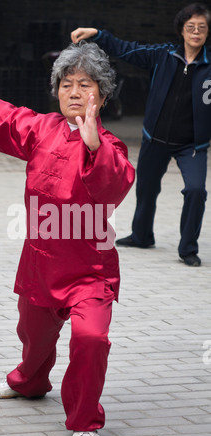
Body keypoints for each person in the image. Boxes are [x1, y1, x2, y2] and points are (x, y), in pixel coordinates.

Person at [0, 42, 135, 436]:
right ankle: (29, 382)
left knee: (91, 339)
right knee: (33, 335)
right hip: (41, 264)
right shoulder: (42, 129)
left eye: (86, 85)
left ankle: (85, 419)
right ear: (56, 90)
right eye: (67, 84)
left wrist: (94, 145)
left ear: (102, 94)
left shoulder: (111, 147)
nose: (75, 92)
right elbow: (6, 118)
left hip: (89, 272)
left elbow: (115, 186)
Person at [72, 2, 211, 267]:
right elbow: (127, 49)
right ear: (181, 30)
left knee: (196, 191)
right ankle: (142, 235)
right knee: (146, 189)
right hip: (155, 138)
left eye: (201, 28)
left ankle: (188, 249)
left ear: (206, 33)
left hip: (191, 145)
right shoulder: (163, 54)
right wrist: (99, 35)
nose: (195, 32)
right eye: (190, 27)